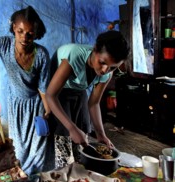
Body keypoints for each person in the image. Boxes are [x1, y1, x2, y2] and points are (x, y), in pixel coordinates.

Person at [0, 6, 54, 175]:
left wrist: (48, 112)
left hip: (36, 106)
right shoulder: (3, 44)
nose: (24, 37)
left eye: (30, 33)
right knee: (19, 148)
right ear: (14, 27)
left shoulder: (42, 54)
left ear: (36, 32)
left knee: (39, 148)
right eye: (20, 31)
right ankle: (23, 179)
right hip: (16, 106)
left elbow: (43, 88)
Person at [46, 30, 130, 168]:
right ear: (95, 49)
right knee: (65, 135)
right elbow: (50, 95)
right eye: (102, 62)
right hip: (58, 91)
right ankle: (64, 170)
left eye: (112, 67)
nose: (105, 70)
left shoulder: (107, 73)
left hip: (78, 90)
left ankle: (80, 171)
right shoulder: (75, 56)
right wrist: (71, 128)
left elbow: (94, 103)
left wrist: (101, 134)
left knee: (84, 132)